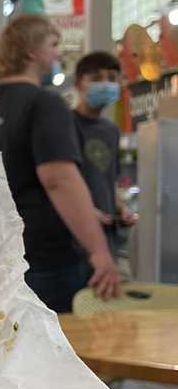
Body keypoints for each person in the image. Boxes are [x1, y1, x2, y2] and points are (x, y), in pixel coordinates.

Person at [0, 15, 120, 312]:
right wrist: (99, 250)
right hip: (43, 261)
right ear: (31, 52)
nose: (58, 54)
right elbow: (58, 180)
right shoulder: (45, 104)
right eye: (53, 45)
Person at [72, 50, 136, 254]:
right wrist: (84, 211)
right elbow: (57, 182)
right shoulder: (65, 124)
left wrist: (121, 209)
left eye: (112, 78)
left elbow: (108, 183)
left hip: (108, 239)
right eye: (96, 78)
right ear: (79, 83)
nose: (106, 84)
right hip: (74, 241)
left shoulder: (111, 131)